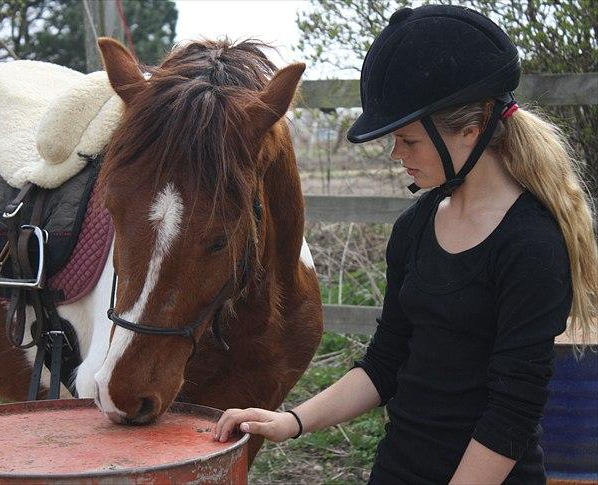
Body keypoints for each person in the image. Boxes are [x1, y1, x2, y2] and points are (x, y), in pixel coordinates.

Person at [214, 5, 598, 484]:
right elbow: (385, 362)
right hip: (398, 469)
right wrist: (291, 421)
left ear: (472, 130)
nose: (397, 155)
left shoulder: (533, 244)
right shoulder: (415, 227)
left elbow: (513, 410)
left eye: (409, 140)